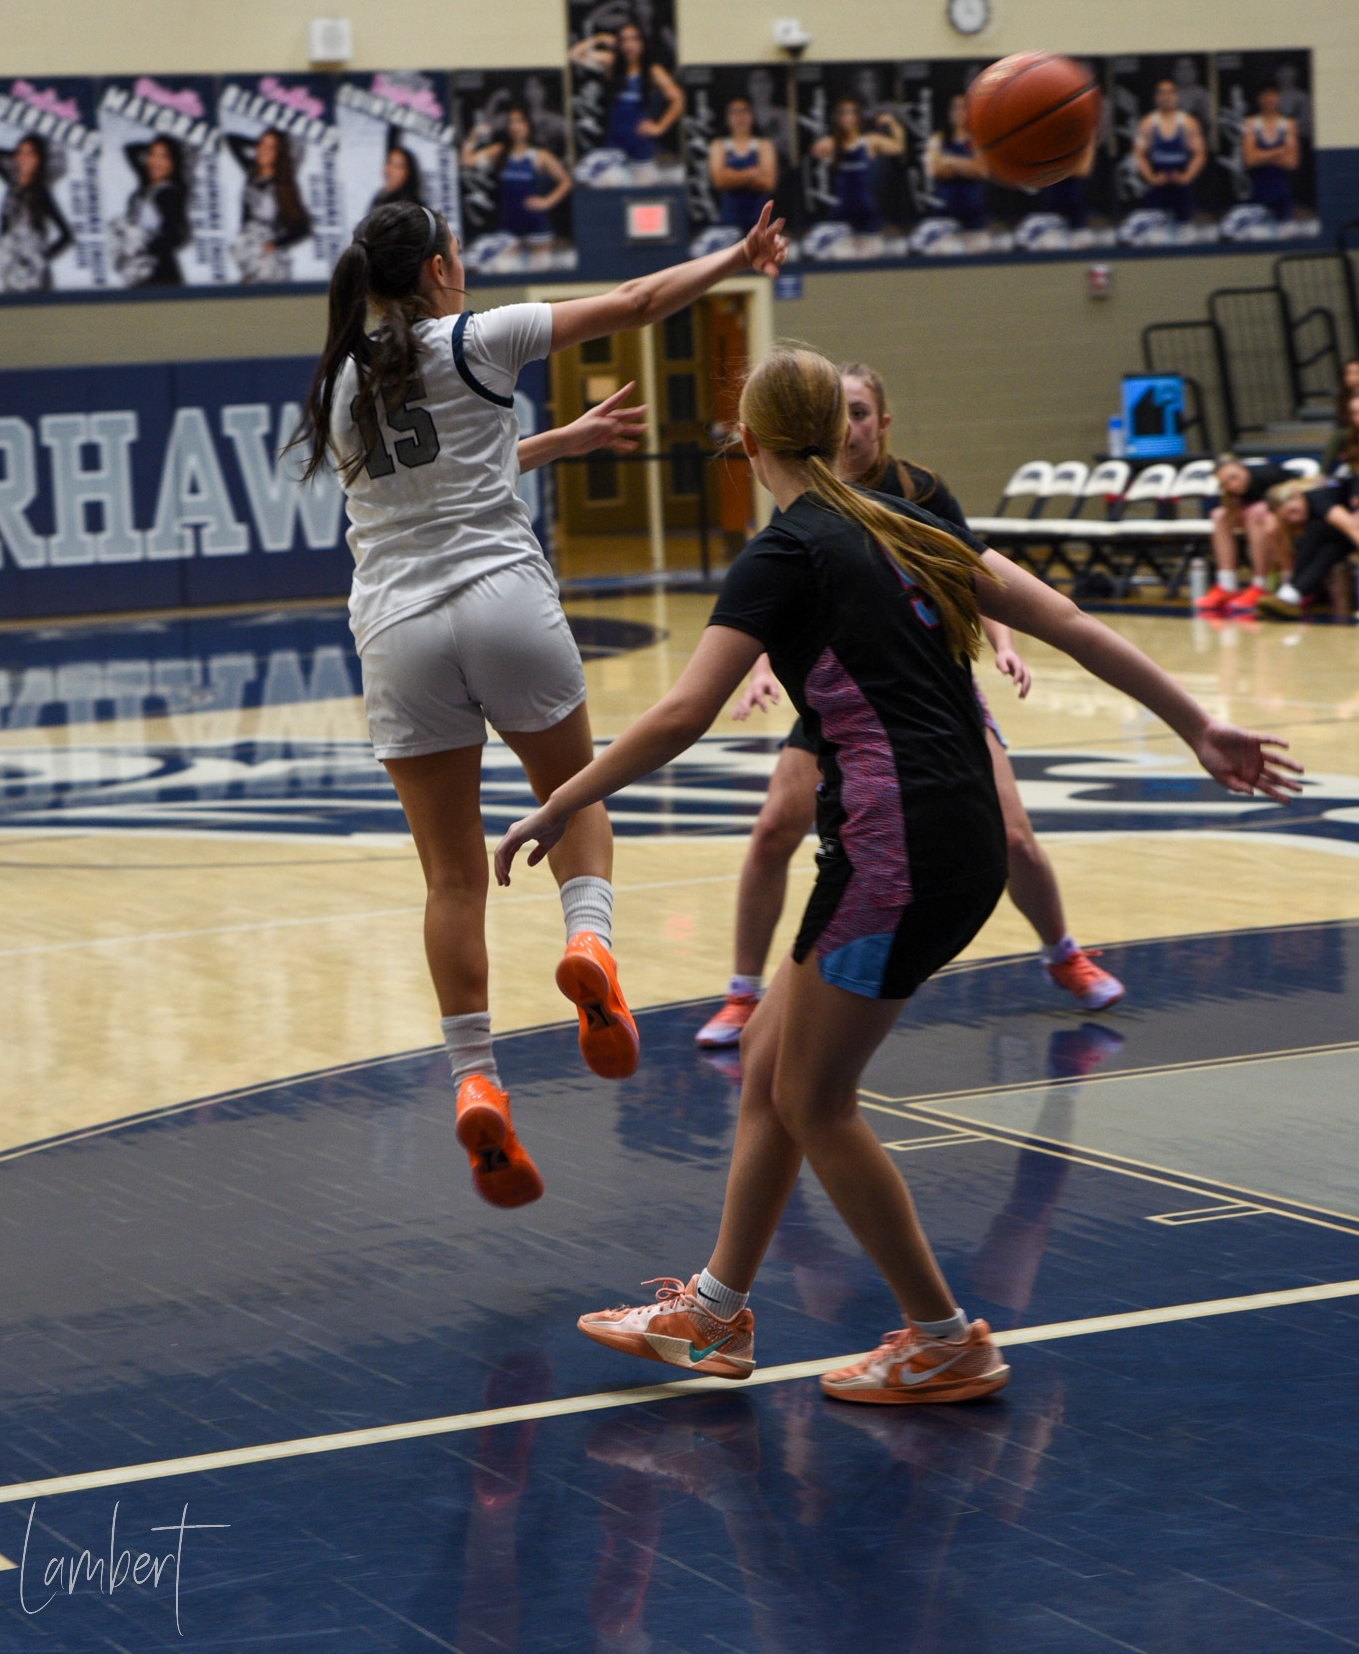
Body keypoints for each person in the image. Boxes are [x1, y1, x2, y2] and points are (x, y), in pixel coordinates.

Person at [494, 347, 1298, 1402]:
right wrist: (1196, 722)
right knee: (769, 1065)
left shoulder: (786, 551)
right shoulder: (909, 524)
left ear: (746, 441)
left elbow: (684, 711)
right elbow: (1067, 622)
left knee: (813, 1099)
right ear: (837, 433)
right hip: (940, 833)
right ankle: (714, 1312)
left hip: (898, 849)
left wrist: (562, 799)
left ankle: (943, 1337)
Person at [294, 196, 789, 1210]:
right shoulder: (478, 336)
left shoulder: (341, 378)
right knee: (574, 795)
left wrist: (559, 440)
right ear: (436, 269)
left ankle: (476, 1079)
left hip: (396, 628)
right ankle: (587, 942)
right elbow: (638, 299)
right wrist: (735, 256)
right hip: (502, 600)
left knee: (449, 878)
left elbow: (434, 475)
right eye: (458, 253)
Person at [696, 361, 1122, 1052]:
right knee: (773, 828)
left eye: (863, 412)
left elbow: (980, 578)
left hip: (925, 691)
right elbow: (775, 609)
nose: (853, 426)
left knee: (1013, 835)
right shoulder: (793, 513)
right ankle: (743, 991)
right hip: (841, 698)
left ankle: (1062, 952)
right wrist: (759, 667)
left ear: (880, 422)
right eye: (845, 411)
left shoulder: (917, 494)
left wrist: (1004, 644)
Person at [461, 104, 572, 256]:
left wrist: (547, 202)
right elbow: (466, 161)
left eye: (519, 121)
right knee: (505, 265)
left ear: (528, 125)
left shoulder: (539, 155)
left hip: (536, 223)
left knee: (541, 267)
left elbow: (566, 181)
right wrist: (473, 136)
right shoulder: (500, 151)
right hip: (509, 224)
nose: (515, 126)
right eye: (511, 122)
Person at [570, 21, 683, 169]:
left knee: (644, 181)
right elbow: (575, 55)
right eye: (624, 40)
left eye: (634, 39)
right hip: (614, 142)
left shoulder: (653, 71)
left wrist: (659, 127)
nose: (630, 45)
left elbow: (677, 98)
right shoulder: (611, 63)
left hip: (640, 142)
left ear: (642, 43)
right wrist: (599, 39)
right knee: (610, 180)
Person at [1196, 454, 1296, 614]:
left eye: (1234, 478)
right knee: (1219, 516)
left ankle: (1260, 585)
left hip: (1292, 513)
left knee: (1255, 512)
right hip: (1261, 517)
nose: (1232, 485)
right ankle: (1227, 585)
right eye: (1225, 483)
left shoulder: (1268, 474)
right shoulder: (1230, 492)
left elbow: (1296, 495)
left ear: (1242, 468)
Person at [1259, 476, 1359, 619]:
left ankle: (1292, 592)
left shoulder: (1318, 499)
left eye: (1292, 511)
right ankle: (1292, 594)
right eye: (1288, 518)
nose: (1293, 519)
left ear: (1296, 496)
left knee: (1316, 530)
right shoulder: (1308, 510)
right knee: (1329, 549)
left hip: (1352, 530)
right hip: (1340, 540)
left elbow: (1353, 528)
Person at [0, 131, 73, 293]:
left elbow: (67, 236)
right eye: (20, 152)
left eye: (30, 154)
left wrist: (41, 257)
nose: (23, 158)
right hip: (9, 266)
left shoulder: (40, 192)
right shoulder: (12, 184)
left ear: (39, 159)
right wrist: (19, 155)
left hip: (33, 274)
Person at [226, 127, 312, 284]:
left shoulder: (282, 186)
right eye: (261, 145)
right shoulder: (252, 171)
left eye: (270, 147)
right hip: (248, 249)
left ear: (278, 152)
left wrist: (276, 244)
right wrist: (257, 144)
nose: (264, 150)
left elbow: (304, 228)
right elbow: (231, 140)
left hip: (266, 256)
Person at [810, 96, 903, 236]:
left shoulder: (869, 142)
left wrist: (892, 123)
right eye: (844, 113)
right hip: (842, 210)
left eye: (852, 112)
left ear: (858, 116)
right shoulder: (831, 143)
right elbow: (815, 151)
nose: (849, 117)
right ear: (838, 117)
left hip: (866, 210)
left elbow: (898, 147)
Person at [115, 135, 189, 287]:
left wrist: (143, 242)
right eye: (152, 155)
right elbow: (131, 150)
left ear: (172, 163)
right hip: (138, 269)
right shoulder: (147, 188)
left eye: (163, 157)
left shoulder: (168, 193)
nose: (156, 161)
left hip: (159, 272)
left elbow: (175, 236)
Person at [1133, 80, 1206, 227]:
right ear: (1155, 97)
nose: (1166, 97)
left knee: (1184, 226)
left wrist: (1187, 176)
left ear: (1176, 96)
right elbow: (1139, 154)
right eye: (1162, 93)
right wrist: (1151, 177)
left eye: (1170, 92)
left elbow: (1200, 153)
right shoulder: (1147, 123)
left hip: (1180, 182)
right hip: (1157, 180)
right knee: (1155, 228)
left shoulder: (1188, 123)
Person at [708, 98, 778, 234]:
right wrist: (752, 173)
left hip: (760, 221)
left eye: (744, 112)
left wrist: (731, 175)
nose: (740, 117)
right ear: (727, 119)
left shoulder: (764, 145)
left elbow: (769, 183)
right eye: (735, 112)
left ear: (751, 116)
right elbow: (718, 182)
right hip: (729, 222)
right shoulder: (718, 145)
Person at [925, 95, 987, 233]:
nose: (959, 112)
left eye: (963, 108)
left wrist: (949, 161)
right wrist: (968, 166)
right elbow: (932, 169)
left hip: (973, 215)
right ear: (949, 113)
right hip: (944, 214)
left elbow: (982, 171)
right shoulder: (937, 138)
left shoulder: (976, 139)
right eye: (955, 108)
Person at [1241, 85, 1300, 224]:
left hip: (1281, 191)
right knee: (1258, 231)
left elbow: (1291, 163)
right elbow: (1249, 160)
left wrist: (1261, 155)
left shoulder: (1288, 124)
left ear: (1278, 98)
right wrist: (1279, 151)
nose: (1268, 99)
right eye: (1265, 95)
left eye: (1272, 95)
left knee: (1282, 228)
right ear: (1259, 99)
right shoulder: (1250, 124)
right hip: (1257, 190)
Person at [1321, 361, 1359, 472]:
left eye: (1356, 373)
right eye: (1348, 373)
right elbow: (1342, 421)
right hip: (1353, 432)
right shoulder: (1343, 396)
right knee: (1340, 434)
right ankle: (1322, 472)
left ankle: (1322, 472)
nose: (1352, 377)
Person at [371, 141, 423, 209]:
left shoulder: (410, 207)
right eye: (389, 163)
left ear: (408, 172)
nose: (390, 170)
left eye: (397, 166)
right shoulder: (380, 198)